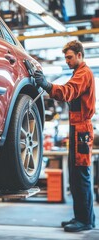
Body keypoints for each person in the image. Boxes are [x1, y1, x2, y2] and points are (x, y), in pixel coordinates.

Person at [34, 40, 95, 232]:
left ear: (79, 55)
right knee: (78, 177)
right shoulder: (78, 73)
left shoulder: (83, 73)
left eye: (69, 57)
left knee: (80, 177)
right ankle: (84, 218)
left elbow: (68, 92)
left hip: (81, 129)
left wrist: (46, 84)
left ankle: (84, 221)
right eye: (65, 58)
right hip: (77, 128)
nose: (67, 61)